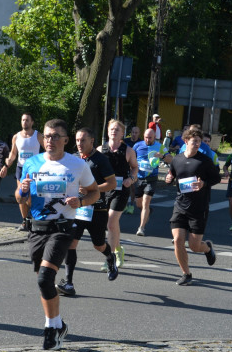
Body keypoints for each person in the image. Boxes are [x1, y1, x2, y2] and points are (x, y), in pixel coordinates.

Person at [16, 119, 98, 350]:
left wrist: (80, 201)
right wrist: (22, 191)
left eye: (55, 136)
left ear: (65, 140)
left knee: (45, 278)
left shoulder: (77, 165)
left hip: (62, 228)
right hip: (37, 228)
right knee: (44, 283)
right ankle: (59, 324)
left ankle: (50, 328)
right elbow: (20, 197)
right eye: (47, 136)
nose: (49, 141)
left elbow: (94, 193)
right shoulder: (32, 163)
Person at [58, 128, 119, 295]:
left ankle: (110, 256)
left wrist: (92, 189)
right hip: (77, 208)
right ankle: (68, 283)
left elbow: (112, 184)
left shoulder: (100, 160)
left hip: (97, 209)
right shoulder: (73, 158)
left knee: (98, 244)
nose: (79, 144)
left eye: (83, 140)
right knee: (71, 243)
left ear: (92, 141)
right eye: (77, 140)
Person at [165, 127, 220, 285]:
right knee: (177, 240)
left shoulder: (205, 161)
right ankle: (186, 273)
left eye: (199, 142)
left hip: (199, 208)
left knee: (194, 246)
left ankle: (207, 248)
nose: (197, 144)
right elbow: (172, 175)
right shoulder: (177, 159)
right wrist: (168, 180)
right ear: (186, 141)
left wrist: (204, 183)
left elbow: (216, 178)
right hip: (180, 205)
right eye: (194, 141)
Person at [101, 119, 137, 268]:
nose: (114, 131)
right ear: (108, 131)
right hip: (104, 190)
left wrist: (131, 179)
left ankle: (110, 259)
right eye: (111, 129)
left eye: (117, 129)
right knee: (111, 225)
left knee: (111, 222)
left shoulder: (128, 151)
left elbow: (135, 168)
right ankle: (118, 250)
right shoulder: (100, 149)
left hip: (121, 191)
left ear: (122, 134)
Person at [7, 113, 45, 231]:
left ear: (32, 122)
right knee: (22, 194)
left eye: (27, 120)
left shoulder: (38, 136)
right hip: (21, 168)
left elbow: (48, 150)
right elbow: (13, 153)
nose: (24, 122)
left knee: (31, 197)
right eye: (23, 120)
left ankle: (32, 217)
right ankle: (24, 221)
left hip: (35, 169)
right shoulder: (16, 137)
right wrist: (8, 162)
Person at [132, 127, 163, 236]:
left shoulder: (160, 147)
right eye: (146, 137)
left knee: (145, 202)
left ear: (154, 137)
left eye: (150, 137)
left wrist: (162, 156)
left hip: (151, 179)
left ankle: (141, 228)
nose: (147, 139)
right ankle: (148, 210)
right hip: (139, 178)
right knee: (139, 204)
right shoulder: (137, 145)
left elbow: (170, 158)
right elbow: (131, 159)